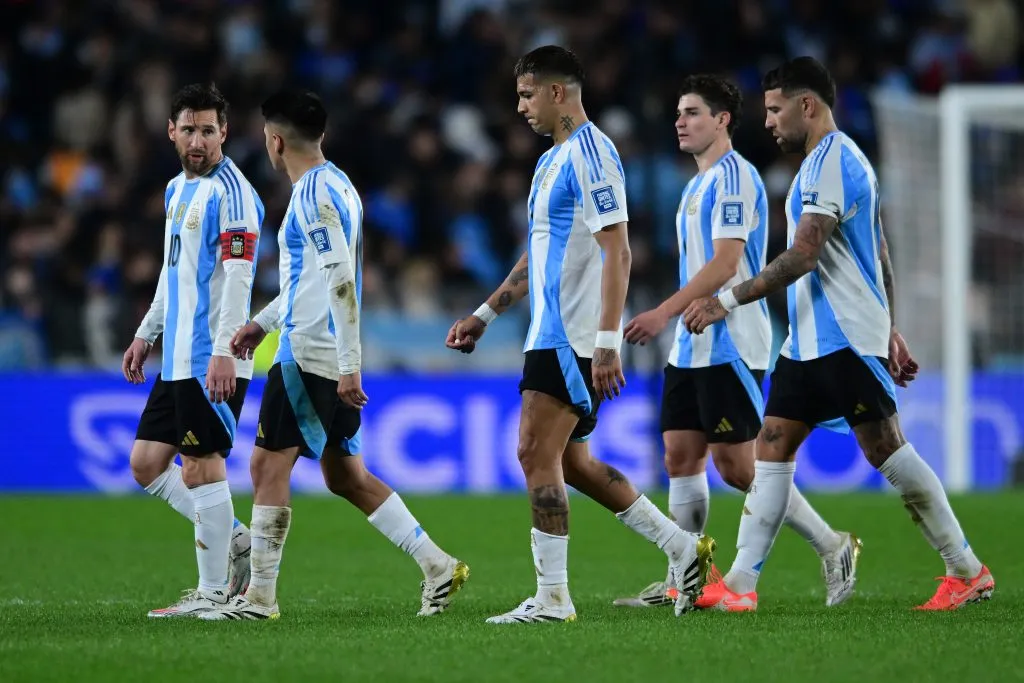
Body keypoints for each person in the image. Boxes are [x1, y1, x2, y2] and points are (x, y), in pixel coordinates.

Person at [684, 57, 993, 612]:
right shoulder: (822, 165)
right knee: (772, 445)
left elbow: (804, 254)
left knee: (886, 449)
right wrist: (893, 326)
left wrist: (724, 300)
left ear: (808, 106)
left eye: (777, 110)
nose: (770, 122)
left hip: (844, 334)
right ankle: (739, 584)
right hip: (808, 339)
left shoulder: (832, 161)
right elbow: (877, 250)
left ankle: (965, 568)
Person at [447, 45, 714, 624]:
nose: (520, 108)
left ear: (557, 92)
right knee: (573, 463)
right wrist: (486, 313)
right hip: (549, 329)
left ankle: (553, 597)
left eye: (526, 95)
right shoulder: (550, 161)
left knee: (533, 452)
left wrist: (606, 341)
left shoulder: (594, 155)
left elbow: (618, 250)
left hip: (573, 334)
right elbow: (536, 253)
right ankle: (682, 548)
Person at [201, 89, 468, 621]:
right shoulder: (339, 185)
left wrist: (349, 366)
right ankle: (437, 565)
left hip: (311, 354)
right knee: (344, 475)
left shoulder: (312, 197)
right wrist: (262, 321)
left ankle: (259, 599)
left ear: (275, 141)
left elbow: (341, 280)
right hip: (317, 344)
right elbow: (312, 282)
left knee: (265, 465)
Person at [613, 75, 858, 610]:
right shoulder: (695, 184)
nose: (680, 121)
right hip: (690, 345)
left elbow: (726, 263)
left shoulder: (735, 178)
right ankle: (685, 578)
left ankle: (832, 544)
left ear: (723, 120)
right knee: (680, 456)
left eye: (693, 112)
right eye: (679, 112)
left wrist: (661, 312)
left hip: (730, 339)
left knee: (738, 468)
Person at [121, 83, 264, 618]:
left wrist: (226, 351)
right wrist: (146, 332)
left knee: (201, 466)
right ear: (171, 132)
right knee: (146, 463)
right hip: (178, 355)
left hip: (212, 356)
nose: (198, 140)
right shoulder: (175, 190)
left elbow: (239, 274)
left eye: (209, 130)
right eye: (189, 129)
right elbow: (171, 270)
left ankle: (212, 593)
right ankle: (235, 540)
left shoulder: (234, 194)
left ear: (224, 132)